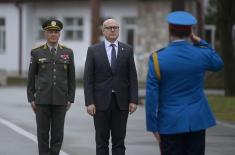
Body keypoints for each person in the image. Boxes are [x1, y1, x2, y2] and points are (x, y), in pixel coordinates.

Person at [145, 11, 224, 155]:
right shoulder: (201, 54)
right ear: (190, 32)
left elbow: (151, 95)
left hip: (170, 123)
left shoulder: (157, 58)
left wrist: (153, 126)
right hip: (196, 121)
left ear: (170, 30)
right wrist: (200, 41)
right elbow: (218, 63)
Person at [83, 18, 138, 155]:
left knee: (119, 142)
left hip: (121, 103)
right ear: (103, 31)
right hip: (100, 103)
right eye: (109, 27)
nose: (113, 30)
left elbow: (132, 77)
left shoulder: (127, 50)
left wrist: (133, 100)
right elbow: (88, 79)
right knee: (102, 142)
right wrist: (89, 102)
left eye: (116, 27)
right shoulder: (94, 50)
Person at [27, 18, 76, 155]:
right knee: (42, 134)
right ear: (45, 34)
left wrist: (70, 98)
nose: (53, 34)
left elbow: (71, 78)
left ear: (59, 34)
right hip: (42, 100)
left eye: (56, 32)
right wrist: (31, 98)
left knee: (57, 134)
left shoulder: (68, 52)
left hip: (61, 100)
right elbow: (31, 77)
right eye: (50, 32)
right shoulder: (36, 52)